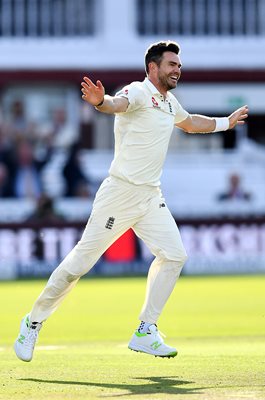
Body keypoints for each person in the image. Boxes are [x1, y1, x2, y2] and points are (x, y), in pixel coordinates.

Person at [14, 40, 248, 362]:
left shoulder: (169, 103)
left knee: (175, 255)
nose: (177, 69)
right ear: (153, 67)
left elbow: (191, 122)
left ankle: (145, 330)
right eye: (171, 64)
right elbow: (115, 104)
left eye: (179, 65)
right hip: (119, 194)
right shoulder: (137, 91)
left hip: (150, 196)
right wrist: (100, 103)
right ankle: (33, 322)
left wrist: (225, 122)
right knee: (79, 265)